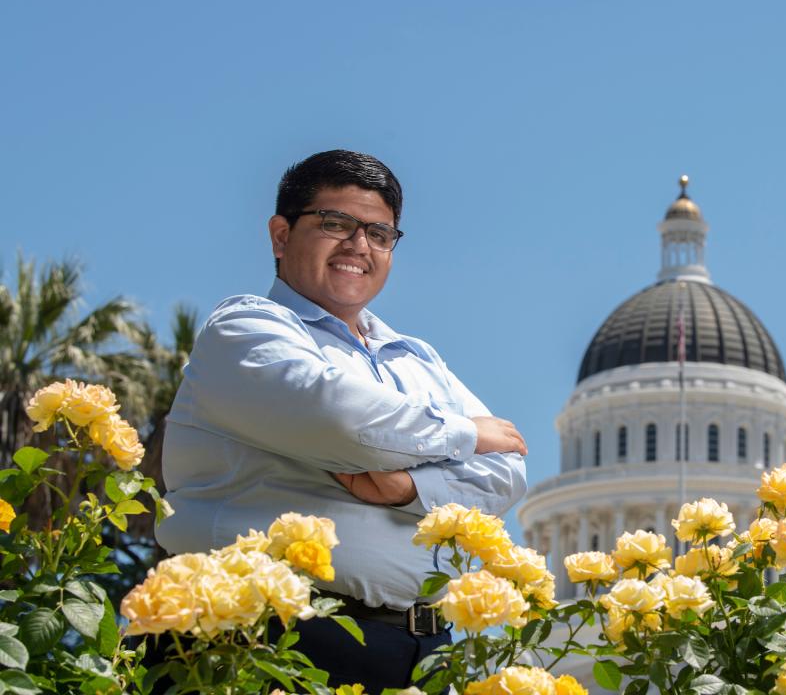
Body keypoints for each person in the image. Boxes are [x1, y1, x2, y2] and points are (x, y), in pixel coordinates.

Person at [155, 149, 528, 691]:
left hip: (416, 651)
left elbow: (506, 472)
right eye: (335, 223)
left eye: (380, 233)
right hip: (260, 639)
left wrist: (407, 488)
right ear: (281, 236)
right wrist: (466, 434)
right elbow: (338, 419)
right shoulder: (245, 329)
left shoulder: (416, 358)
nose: (359, 245)